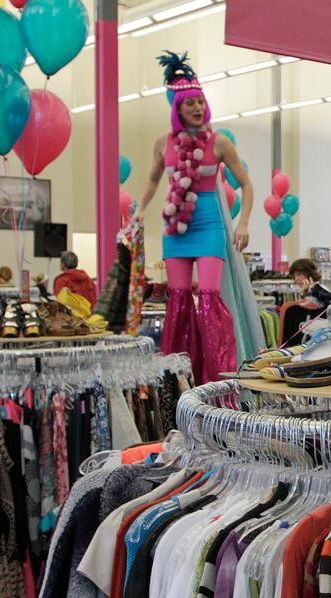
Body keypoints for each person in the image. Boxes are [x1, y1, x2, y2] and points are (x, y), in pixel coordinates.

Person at [131, 51, 261, 385]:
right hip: (175, 228)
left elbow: (246, 185)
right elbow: (152, 179)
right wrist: (138, 209)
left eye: (201, 102)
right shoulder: (164, 143)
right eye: (190, 103)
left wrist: (243, 222)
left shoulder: (219, 143)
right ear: (177, 107)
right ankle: (177, 378)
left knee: (208, 299)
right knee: (176, 301)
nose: (198, 108)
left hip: (209, 226)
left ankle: (217, 379)